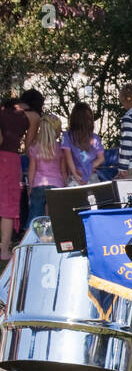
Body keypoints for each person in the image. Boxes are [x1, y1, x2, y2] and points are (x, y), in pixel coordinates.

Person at [25, 114, 72, 221]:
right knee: (55, 217)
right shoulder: (60, 148)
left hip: (38, 185)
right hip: (57, 186)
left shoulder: (35, 147)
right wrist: (66, 185)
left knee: (35, 217)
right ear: (56, 131)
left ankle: (30, 235)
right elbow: (63, 171)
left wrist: (30, 187)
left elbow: (32, 170)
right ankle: (54, 236)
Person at [0, 97, 30, 258]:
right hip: (10, 159)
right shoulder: (23, 118)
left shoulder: (3, 113)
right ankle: (4, 250)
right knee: (7, 208)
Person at [60, 102, 105, 185]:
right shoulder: (95, 138)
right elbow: (101, 158)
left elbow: (68, 158)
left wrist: (75, 173)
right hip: (91, 176)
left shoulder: (66, 136)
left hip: (75, 177)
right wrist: (87, 168)